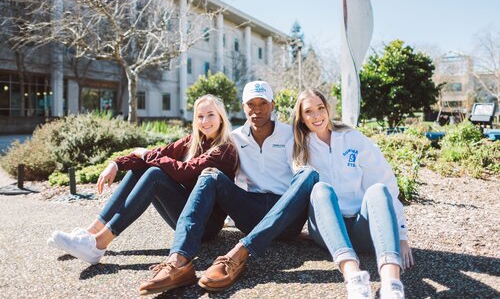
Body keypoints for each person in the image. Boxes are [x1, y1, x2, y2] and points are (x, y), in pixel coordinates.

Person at [138, 81, 319, 295]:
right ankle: (179, 262)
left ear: (272, 105)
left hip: (286, 215)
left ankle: (239, 253)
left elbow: (302, 168)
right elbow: (194, 166)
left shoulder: (291, 133)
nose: (257, 109)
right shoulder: (234, 138)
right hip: (251, 211)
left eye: (263, 103)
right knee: (210, 175)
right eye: (251, 103)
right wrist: (122, 161)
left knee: (308, 173)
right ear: (243, 107)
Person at [47, 94, 238, 265]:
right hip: (186, 214)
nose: (205, 121)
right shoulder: (192, 142)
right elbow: (158, 154)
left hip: (206, 225)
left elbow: (184, 172)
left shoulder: (225, 150)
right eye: (200, 116)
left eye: (211, 114)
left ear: (221, 117)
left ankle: (98, 244)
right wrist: (117, 164)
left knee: (155, 174)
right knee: (144, 168)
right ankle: (90, 234)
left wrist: (146, 154)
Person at [292, 89, 414, 299]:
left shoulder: (352, 138)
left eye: (320, 108)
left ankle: (391, 283)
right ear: (301, 117)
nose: (317, 115)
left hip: (362, 228)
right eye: (309, 111)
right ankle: (354, 278)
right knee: (321, 188)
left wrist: (401, 234)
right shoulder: (298, 147)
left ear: (328, 109)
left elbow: (386, 182)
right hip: (328, 231)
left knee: (378, 189)